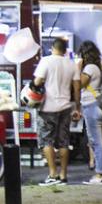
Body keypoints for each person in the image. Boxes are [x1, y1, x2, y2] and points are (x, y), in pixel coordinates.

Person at [33, 37, 79, 186]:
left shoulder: (46, 61)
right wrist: (77, 107)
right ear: (65, 50)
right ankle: (63, 175)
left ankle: (52, 174)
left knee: (47, 140)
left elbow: (37, 82)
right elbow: (77, 87)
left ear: (52, 48)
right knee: (64, 142)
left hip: (47, 107)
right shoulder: (72, 64)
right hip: (65, 106)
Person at [75, 41, 102, 185]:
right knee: (95, 140)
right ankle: (99, 172)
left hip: (92, 105)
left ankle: (100, 174)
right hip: (95, 106)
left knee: (96, 141)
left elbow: (79, 84)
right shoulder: (97, 67)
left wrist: (77, 68)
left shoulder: (90, 68)